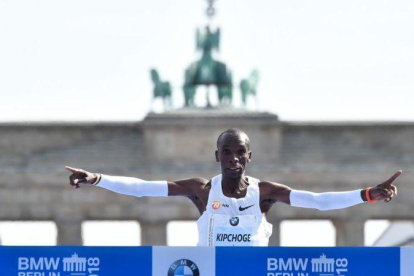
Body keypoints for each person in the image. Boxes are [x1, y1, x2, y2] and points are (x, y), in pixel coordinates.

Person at [66, 128, 400, 246]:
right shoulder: (201, 190)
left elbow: (318, 202)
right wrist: (97, 179)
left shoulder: (265, 192)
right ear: (217, 156)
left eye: (240, 152)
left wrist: (368, 194)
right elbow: (143, 189)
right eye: (226, 152)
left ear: (249, 157)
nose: (233, 158)